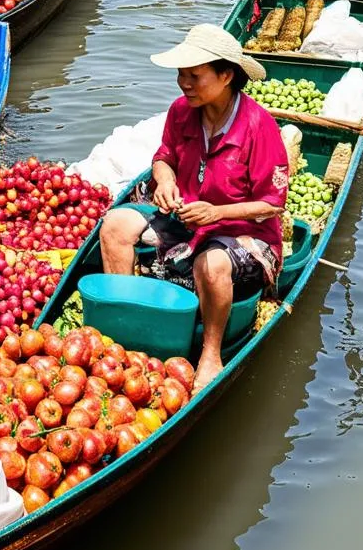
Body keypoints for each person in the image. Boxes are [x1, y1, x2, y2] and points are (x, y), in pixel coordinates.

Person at [98, 25, 288, 394]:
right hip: (187, 221)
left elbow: (271, 205)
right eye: (181, 74)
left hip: (243, 233)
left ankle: (210, 355)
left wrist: (217, 214)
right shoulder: (182, 112)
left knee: (212, 263)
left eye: (193, 75)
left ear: (226, 75)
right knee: (115, 225)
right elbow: (164, 156)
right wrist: (166, 180)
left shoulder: (258, 126)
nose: (183, 82)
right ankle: (124, 323)